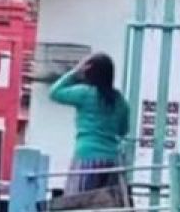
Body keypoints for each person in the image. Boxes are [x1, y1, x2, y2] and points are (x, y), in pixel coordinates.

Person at [49, 53, 132, 196]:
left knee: (79, 202)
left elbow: (54, 92)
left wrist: (75, 72)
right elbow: (123, 131)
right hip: (113, 160)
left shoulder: (84, 93)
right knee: (110, 206)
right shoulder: (120, 101)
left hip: (86, 155)